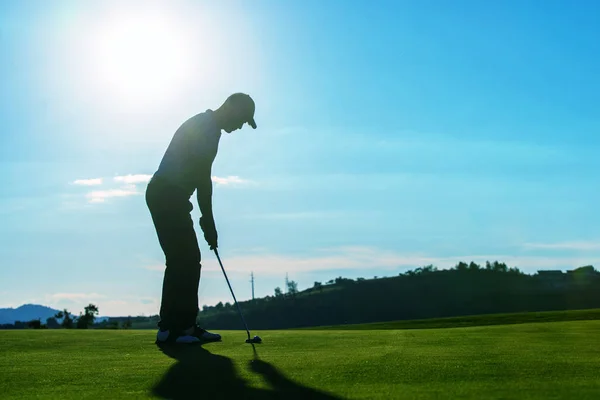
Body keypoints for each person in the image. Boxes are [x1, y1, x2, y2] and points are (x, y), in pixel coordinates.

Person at [146, 93, 257, 344]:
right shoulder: (206, 129)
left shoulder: (208, 127)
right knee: (186, 259)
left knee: (180, 259)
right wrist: (208, 220)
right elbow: (202, 179)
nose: (240, 126)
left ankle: (170, 328)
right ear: (229, 106)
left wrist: (206, 219)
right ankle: (181, 328)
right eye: (241, 119)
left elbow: (199, 177)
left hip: (165, 194)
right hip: (167, 194)